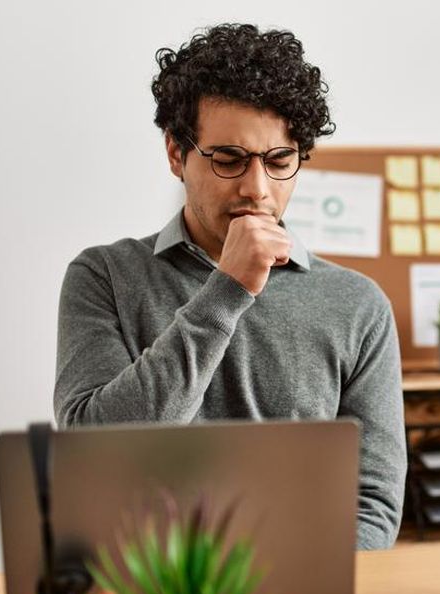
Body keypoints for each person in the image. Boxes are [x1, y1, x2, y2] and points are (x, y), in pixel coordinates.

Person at [53, 23, 405, 550]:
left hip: (307, 592)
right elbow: (95, 451)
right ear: (176, 153)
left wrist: (312, 586)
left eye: (280, 161)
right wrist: (227, 289)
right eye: (229, 160)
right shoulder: (103, 277)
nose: (257, 189)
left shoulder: (358, 306)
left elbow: (372, 504)